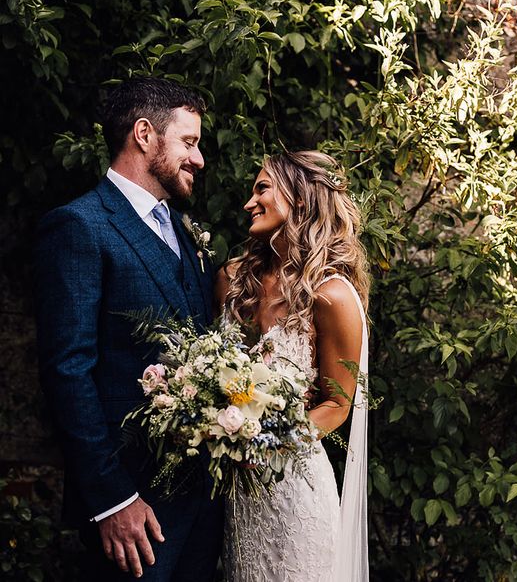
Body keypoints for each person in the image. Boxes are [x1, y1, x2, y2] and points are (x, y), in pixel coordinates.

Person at [35, 76, 224, 581]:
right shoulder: (80, 226)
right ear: (144, 134)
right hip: (131, 517)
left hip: (199, 511)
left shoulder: (185, 233)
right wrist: (112, 500)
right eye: (189, 142)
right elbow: (67, 372)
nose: (199, 159)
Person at [216, 151, 370, 582]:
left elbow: (336, 406)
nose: (250, 202)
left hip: (295, 488)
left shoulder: (333, 296)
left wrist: (270, 443)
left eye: (261, 188)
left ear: (300, 200)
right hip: (239, 494)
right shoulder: (233, 280)